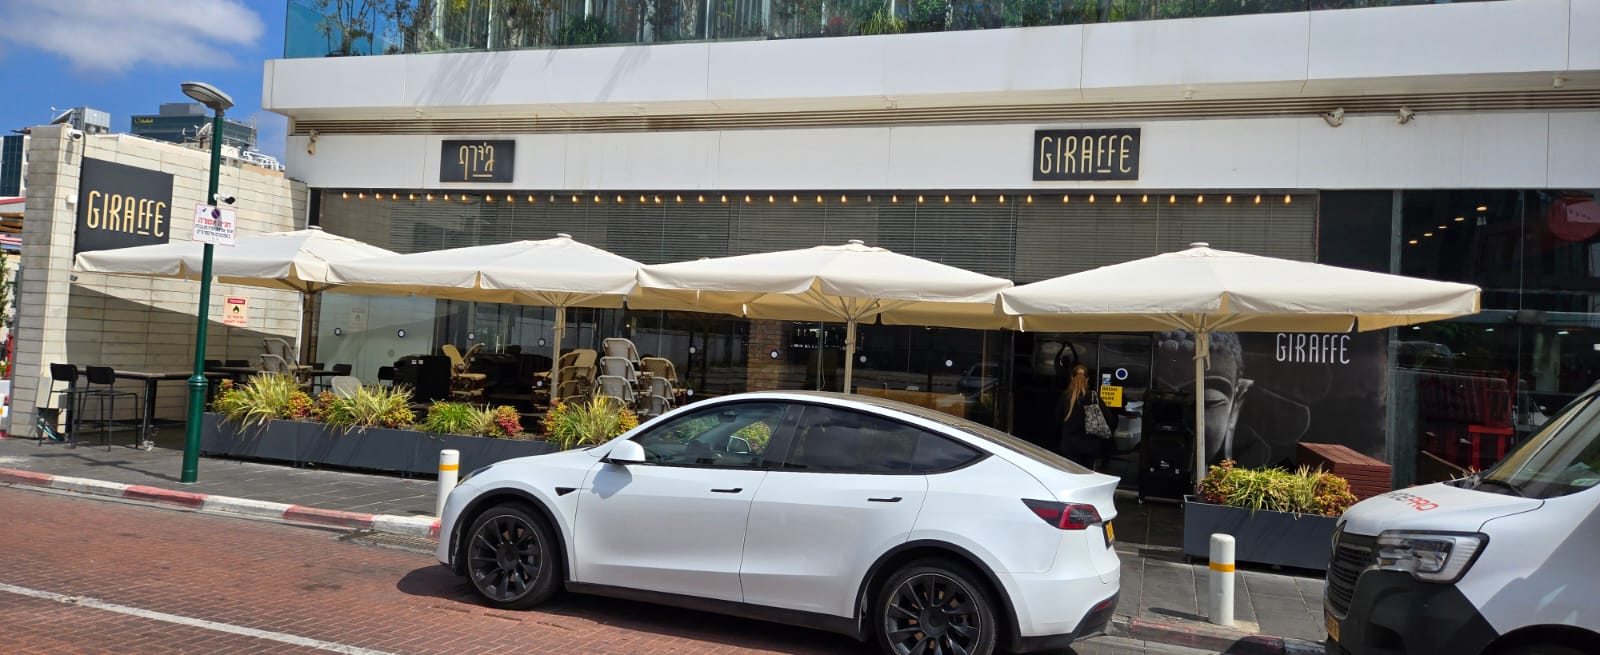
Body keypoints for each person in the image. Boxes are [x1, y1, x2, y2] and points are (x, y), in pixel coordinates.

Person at [1055, 364, 1101, 468]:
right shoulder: (1093, 397)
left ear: (1071, 377)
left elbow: (1058, 417)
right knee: (1087, 473)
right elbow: (1108, 419)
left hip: (1069, 445)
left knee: (1070, 473)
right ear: (1087, 379)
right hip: (1090, 445)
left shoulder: (1065, 396)